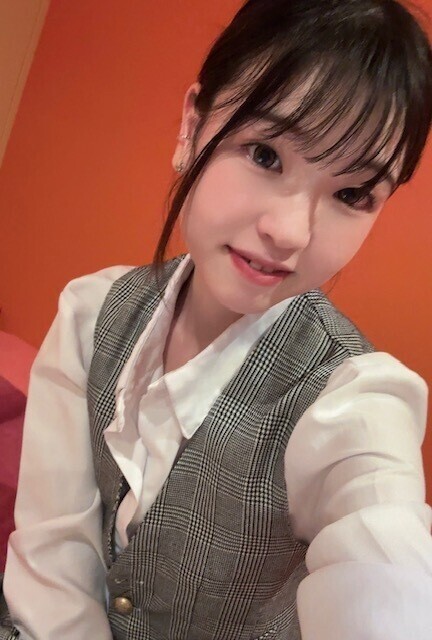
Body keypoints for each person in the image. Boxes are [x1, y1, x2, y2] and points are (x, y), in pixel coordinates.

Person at [1, 0, 432, 638]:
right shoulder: (91, 314)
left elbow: (385, 562)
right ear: (191, 125)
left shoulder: (354, 401)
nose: (290, 232)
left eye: (352, 194)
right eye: (265, 154)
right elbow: (52, 565)